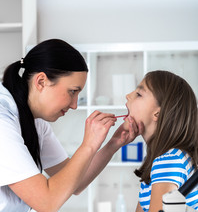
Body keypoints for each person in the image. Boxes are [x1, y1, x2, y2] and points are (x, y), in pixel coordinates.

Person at [0, 38, 143, 212]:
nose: (75, 105)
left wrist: (113, 143)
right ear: (41, 82)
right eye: (72, 91)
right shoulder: (2, 120)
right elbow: (47, 202)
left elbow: (75, 183)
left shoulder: (35, 121)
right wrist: (88, 144)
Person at [122, 70, 198, 211]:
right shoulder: (162, 159)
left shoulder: (169, 160)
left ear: (157, 113)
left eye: (139, 94)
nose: (128, 96)